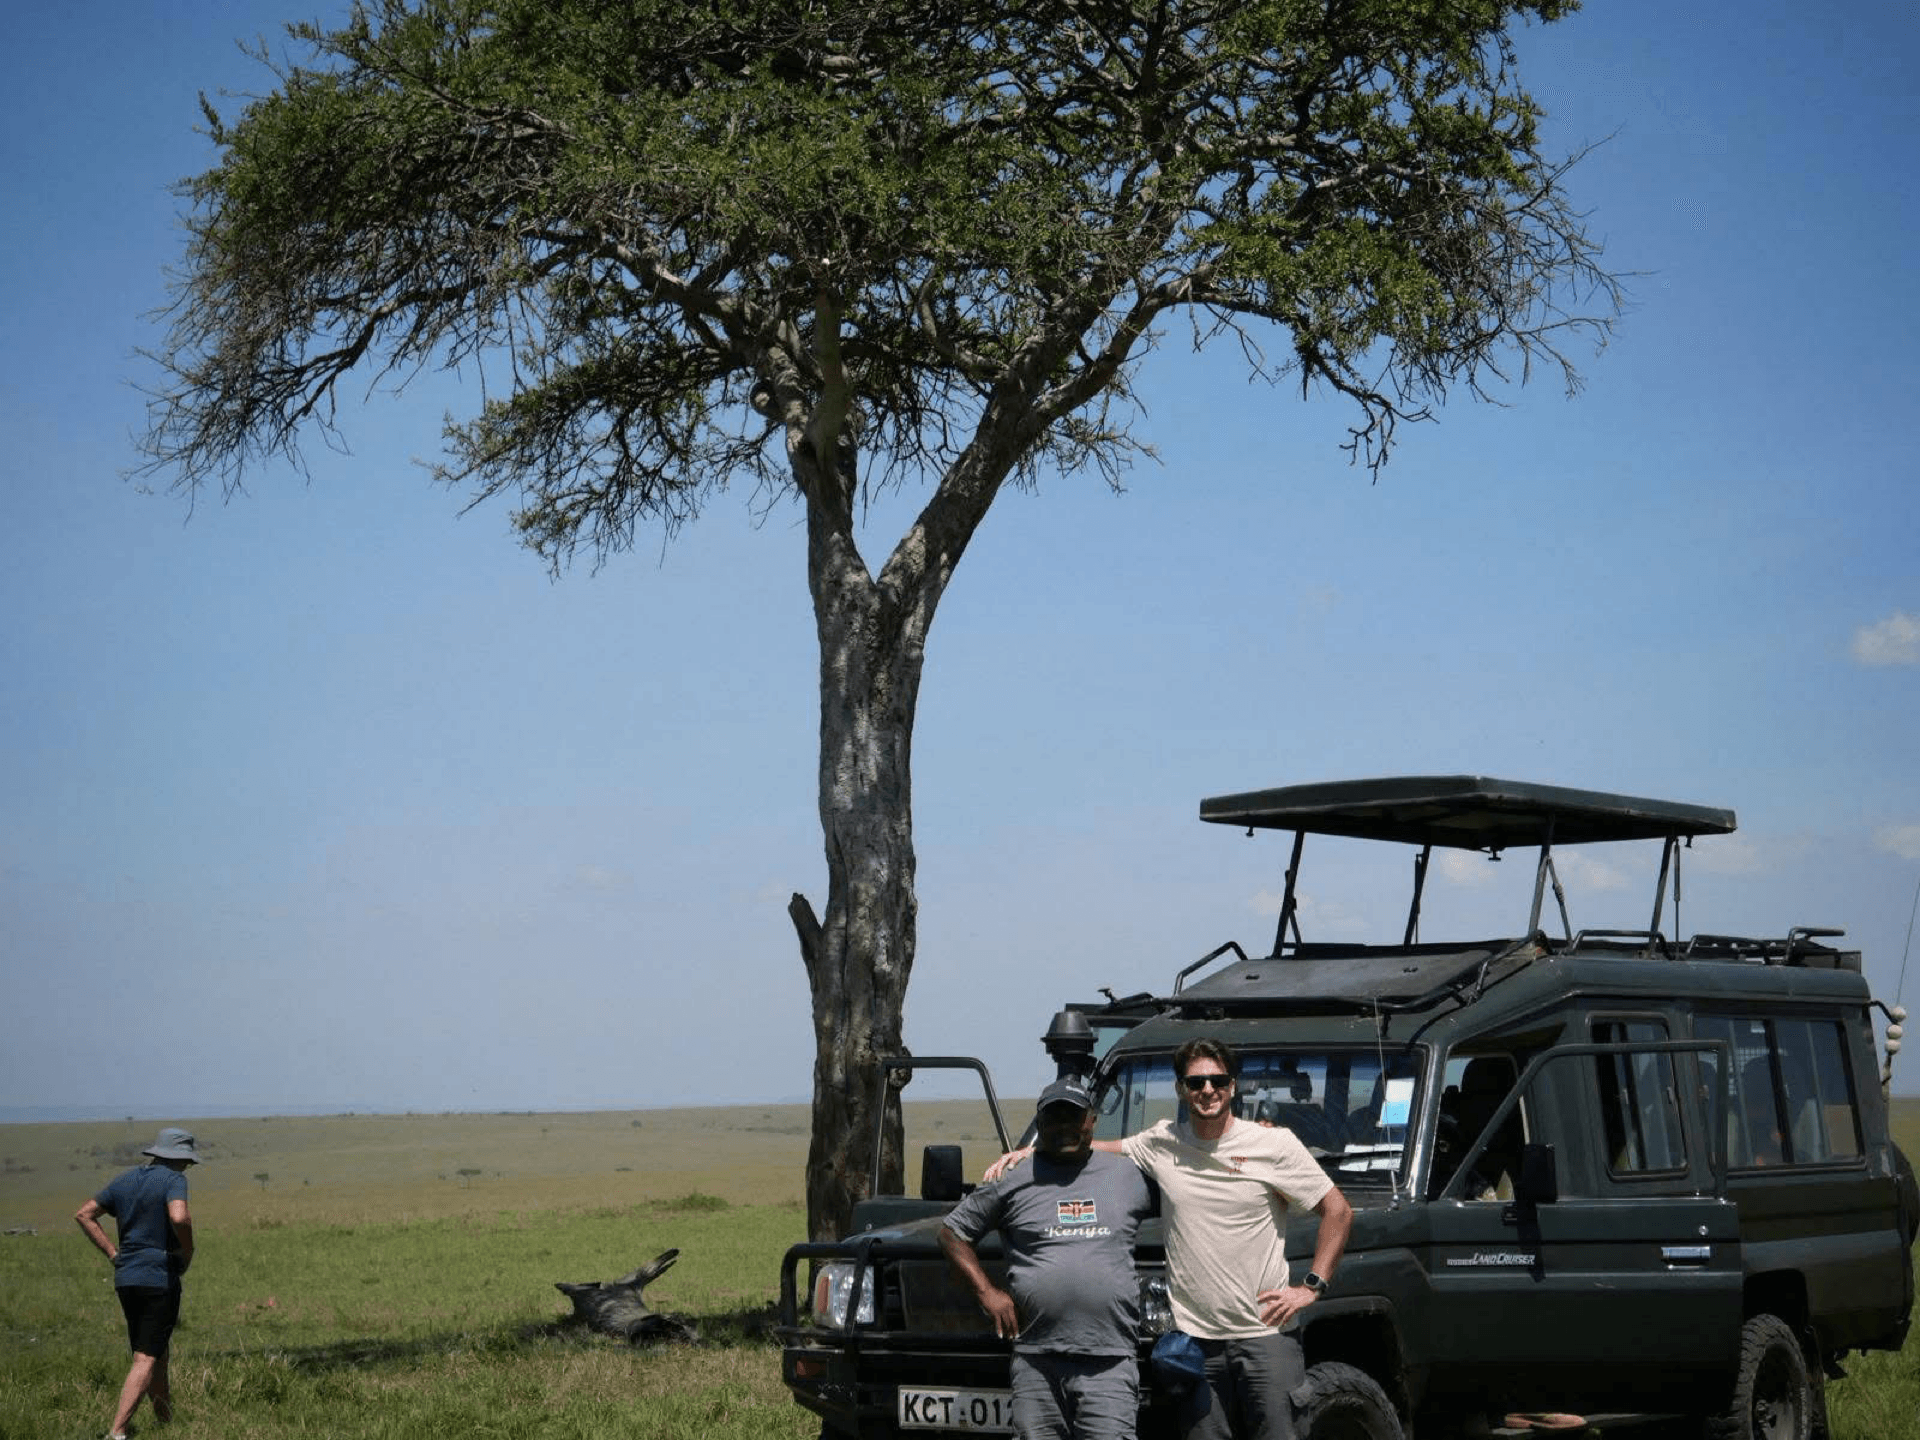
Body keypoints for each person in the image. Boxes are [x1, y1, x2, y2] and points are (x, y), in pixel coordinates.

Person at [987, 1039, 1354, 1440]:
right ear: (1181, 1089)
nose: (1207, 1091)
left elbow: (1337, 1210)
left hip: (1265, 1337)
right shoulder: (1162, 1142)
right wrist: (1028, 1153)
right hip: (1194, 1344)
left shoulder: (1273, 1144)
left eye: (1218, 1080)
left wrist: (1311, 1287)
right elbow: (1093, 1146)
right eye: (1196, 1083)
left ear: (1233, 1087)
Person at [940, 1076, 1156, 1440]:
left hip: (1110, 1359)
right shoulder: (1013, 1179)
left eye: (1074, 1117)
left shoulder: (1129, 1175)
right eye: (1054, 1118)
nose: (1064, 1128)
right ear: (1040, 1125)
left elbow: (1192, 1198)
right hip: (1036, 1360)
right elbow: (952, 1232)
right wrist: (986, 1294)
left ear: (1092, 1119)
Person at [75, 1126, 200, 1440]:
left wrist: (112, 1253)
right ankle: (117, 1432)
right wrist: (187, 1250)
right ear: (178, 1158)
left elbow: (85, 1214)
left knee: (156, 1350)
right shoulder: (173, 1180)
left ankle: (165, 1422)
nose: (187, 1166)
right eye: (186, 1160)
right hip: (158, 1275)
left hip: (126, 1275)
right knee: (145, 1357)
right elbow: (180, 1217)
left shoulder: (125, 1180)